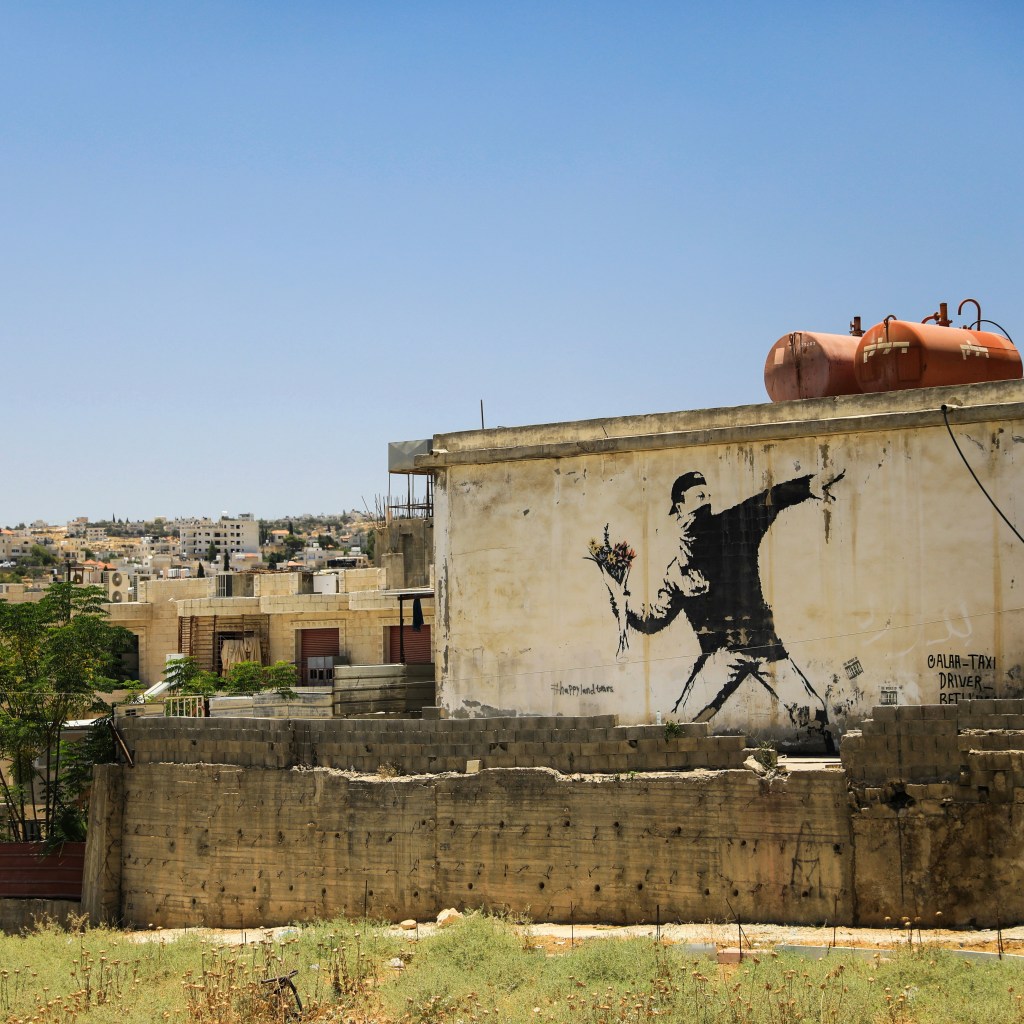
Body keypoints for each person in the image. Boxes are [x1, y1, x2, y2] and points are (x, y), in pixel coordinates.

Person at [594, 468, 844, 751]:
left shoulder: (733, 524)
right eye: (699, 496)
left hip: (765, 647)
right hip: (721, 657)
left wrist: (808, 485)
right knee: (682, 724)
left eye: (708, 495)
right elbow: (654, 620)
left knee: (813, 712)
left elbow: (770, 499)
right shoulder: (677, 570)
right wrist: (622, 603)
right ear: (680, 507)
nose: (706, 501)